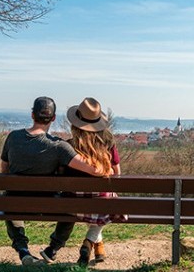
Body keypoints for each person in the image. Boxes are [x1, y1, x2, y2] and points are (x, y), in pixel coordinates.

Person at [0, 96, 104, 266]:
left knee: (9, 198)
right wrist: (108, 168)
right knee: (70, 204)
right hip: (49, 205)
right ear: (54, 118)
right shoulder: (59, 146)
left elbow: (4, 170)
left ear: (32, 115)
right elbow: (93, 170)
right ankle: (54, 247)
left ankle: (23, 250)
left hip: (16, 203)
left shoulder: (13, 137)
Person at [64, 97, 124, 266]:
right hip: (102, 204)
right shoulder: (108, 142)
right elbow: (117, 174)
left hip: (74, 205)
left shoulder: (69, 146)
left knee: (100, 205)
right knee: (108, 201)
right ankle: (90, 242)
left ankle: (97, 247)